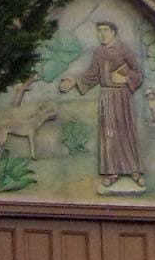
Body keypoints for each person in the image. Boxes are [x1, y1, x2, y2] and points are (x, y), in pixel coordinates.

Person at [59, 20, 146, 192]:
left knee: (126, 131)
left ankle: (134, 172)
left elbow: (138, 72)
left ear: (113, 32)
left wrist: (127, 79)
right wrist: (74, 81)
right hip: (106, 96)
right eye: (99, 31)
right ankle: (112, 173)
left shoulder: (123, 48)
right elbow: (92, 74)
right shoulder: (98, 52)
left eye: (106, 30)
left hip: (122, 96)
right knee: (109, 135)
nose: (102, 34)